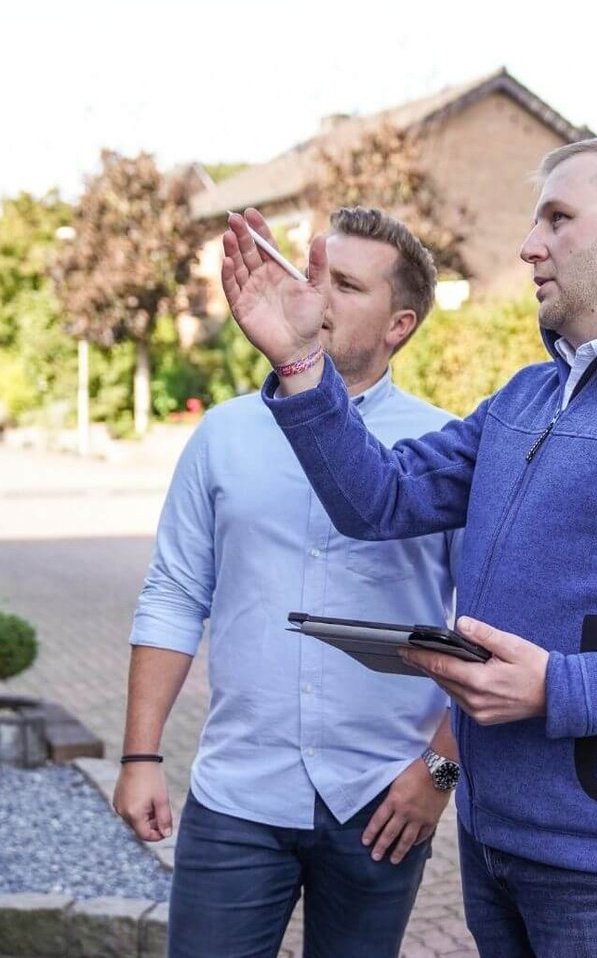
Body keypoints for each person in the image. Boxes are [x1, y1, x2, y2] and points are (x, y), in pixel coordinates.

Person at [219, 137, 597, 957]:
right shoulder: (525, 396)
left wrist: (559, 687)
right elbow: (379, 497)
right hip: (494, 844)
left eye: (557, 218)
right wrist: (300, 361)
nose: (527, 246)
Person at [116, 207, 464, 958]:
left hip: (383, 798)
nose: (314, 294)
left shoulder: (443, 447)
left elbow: (490, 626)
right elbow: (174, 593)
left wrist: (437, 774)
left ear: (400, 325)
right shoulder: (224, 434)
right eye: (311, 274)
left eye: (345, 284)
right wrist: (140, 755)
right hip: (240, 792)